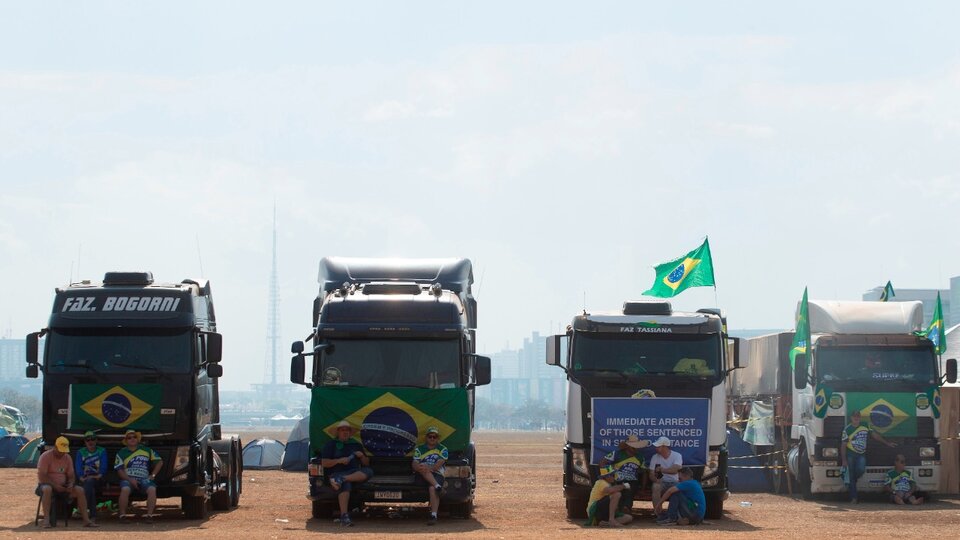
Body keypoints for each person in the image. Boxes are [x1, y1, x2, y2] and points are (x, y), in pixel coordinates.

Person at [36, 436, 98, 528]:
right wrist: (55, 485)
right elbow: (42, 476)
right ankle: (46, 520)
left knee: (80, 490)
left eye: (64, 451)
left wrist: (71, 483)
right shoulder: (45, 457)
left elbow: (71, 475)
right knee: (47, 489)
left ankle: (86, 520)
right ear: (55, 447)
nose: (62, 453)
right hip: (47, 485)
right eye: (60, 450)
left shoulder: (67, 457)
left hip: (63, 486)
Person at [321, 420, 374, 527]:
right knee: (346, 486)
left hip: (353, 473)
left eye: (347, 430)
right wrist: (339, 461)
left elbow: (366, 463)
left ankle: (343, 479)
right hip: (336, 473)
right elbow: (324, 463)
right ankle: (344, 516)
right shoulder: (331, 445)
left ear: (350, 433)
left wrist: (362, 456)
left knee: (369, 471)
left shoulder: (355, 445)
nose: (345, 432)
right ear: (338, 432)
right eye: (342, 430)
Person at [840, 410, 896, 503]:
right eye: (854, 416)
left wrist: (887, 443)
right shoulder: (847, 429)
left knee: (860, 470)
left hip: (861, 454)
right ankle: (854, 498)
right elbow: (843, 445)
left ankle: (852, 480)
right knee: (851, 475)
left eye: (858, 416)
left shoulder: (865, 425)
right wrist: (844, 460)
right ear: (851, 418)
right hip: (850, 454)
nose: (856, 418)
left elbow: (875, 436)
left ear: (860, 417)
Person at [115, 429, 163, 521]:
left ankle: (149, 516)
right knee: (125, 489)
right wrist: (130, 480)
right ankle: (122, 516)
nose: (132, 439)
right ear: (126, 441)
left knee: (152, 489)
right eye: (129, 438)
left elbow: (160, 462)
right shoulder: (121, 453)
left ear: (138, 439)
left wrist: (152, 475)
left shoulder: (147, 450)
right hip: (128, 478)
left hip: (144, 478)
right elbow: (120, 471)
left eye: (134, 437)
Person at [598, 434, 649, 512]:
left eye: (636, 447)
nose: (635, 449)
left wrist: (643, 488)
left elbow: (644, 472)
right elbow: (602, 462)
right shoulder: (617, 453)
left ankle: (626, 509)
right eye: (633, 447)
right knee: (620, 491)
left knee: (630, 489)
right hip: (617, 479)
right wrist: (607, 475)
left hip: (632, 481)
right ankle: (619, 510)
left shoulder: (640, 457)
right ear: (628, 446)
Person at [412, 426, 448, 525]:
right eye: (430, 436)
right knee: (422, 467)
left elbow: (437, 466)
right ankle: (439, 487)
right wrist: (420, 467)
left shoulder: (443, 449)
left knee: (432, 489)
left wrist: (427, 466)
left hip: (437, 474)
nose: (432, 438)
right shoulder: (419, 449)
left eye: (434, 437)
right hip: (421, 475)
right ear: (426, 438)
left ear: (438, 438)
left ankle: (433, 515)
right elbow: (414, 464)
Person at [75, 430, 108, 524]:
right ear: (84, 442)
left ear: (96, 440)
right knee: (90, 489)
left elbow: (104, 466)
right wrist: (81, 477)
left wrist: (99, 475)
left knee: (89, 483)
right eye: (87, 440)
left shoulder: (102, 451)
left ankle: (80, 509)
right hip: (85, 479)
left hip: (99, 479)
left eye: (93, 439)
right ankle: (93, 516)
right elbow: (78, 467)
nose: (90, 442)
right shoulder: (80, 452)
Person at [648, 436, 683, 517]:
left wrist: (662, 470)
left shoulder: (677, 455)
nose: (656, 448)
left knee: (678, 489)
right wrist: (655, 479)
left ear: (664, 446)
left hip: (674, 482)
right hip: (661, 482)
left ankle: (674, 514)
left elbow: (675, 470)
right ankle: (658, 514)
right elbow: (651, 473)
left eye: (658, 446)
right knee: (655, 486)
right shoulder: (655, 457)